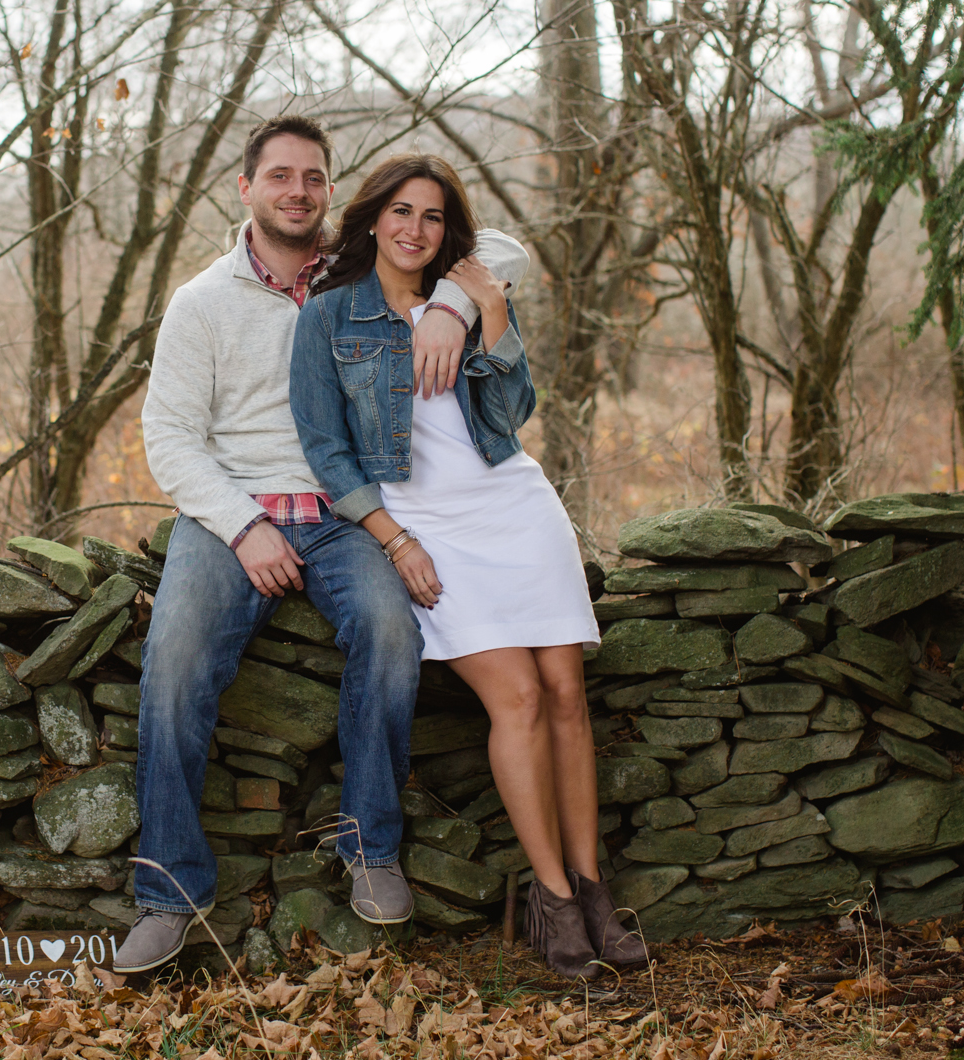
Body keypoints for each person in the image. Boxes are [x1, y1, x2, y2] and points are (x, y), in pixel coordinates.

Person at [118, 116, 530, 973]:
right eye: (280, 176)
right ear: (246, 188)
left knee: (392, 631)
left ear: (332, 192)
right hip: (232, 516)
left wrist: (456, 303)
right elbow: (170, 440)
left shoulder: (357, 269)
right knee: (175, 659)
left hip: (349, 512)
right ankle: (168, 889)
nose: (297, 191)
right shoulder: (202, 302)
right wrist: (242, 524)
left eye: (313, 177)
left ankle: (369, 844)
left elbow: (496, 243)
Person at [288, 153, 648, 981]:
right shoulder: (332, 314)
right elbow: (325, 448)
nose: (416, 229)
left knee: (567, 696)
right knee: (516, 697)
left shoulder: (473, 287)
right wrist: (394, 538)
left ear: (451, 229)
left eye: (434, 217)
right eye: (401, 212)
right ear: (373, 217)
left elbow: (512, 411)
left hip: (515, 507)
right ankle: (552, 899)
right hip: (430, 526)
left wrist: (478, 309)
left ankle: (595, 890)